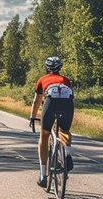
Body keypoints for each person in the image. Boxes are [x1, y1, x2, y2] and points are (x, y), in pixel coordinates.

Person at [29, 56, 74, 187]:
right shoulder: (66, 80)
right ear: (60, 67)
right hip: (67, 104)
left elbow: (36, 101)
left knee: (44, 135)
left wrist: (32, 116)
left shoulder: (42, 79)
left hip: (51, 102)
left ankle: (43, 176)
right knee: (65, 131)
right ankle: (67, 153)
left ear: (47, 67)